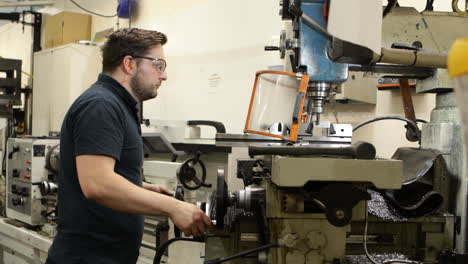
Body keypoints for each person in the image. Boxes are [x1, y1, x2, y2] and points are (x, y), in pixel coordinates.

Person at [46, 28, 213, 264]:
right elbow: (97, 184)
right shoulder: (101, 105)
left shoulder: (118, 104)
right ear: (129, 64)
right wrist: (172, 207)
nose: (163, 76)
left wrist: (140, 186)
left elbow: (104, 173)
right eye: (159, 65)